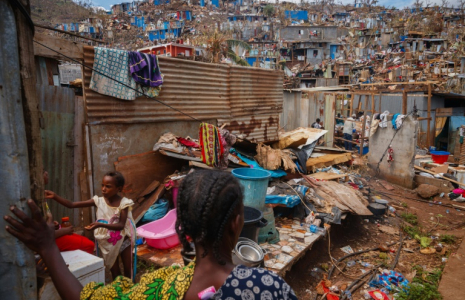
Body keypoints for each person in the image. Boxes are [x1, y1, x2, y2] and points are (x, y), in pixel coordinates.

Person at [5, 170, 298, 300]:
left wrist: (47, 247)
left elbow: (86, 296)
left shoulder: (160, 288)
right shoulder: (269, 288)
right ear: (237, 224)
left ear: (181, 227)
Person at [44, 171, 135, 279]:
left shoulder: (124, 203)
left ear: (119, 189)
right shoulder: (99, 201)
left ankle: (130, 293)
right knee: (115, 272)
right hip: (107, 243)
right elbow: (71, 205)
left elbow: (120, 225)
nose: (103, 189)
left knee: (128, 271)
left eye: (108, 186)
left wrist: (99, 225)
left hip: (123, 241)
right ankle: (119, 294)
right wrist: (55, 196)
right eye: (102, 185)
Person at [44, 170, 95, 254]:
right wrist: (64, 231)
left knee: (86, 241)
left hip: (51, 235)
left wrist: (53, 225)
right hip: (48, 240)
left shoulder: (42, 196)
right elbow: (44, 235)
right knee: (88, 245)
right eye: (43, 172)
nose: (46, 172)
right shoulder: (36, 199)